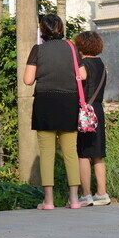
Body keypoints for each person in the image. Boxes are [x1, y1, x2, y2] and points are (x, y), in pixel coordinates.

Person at [23, 14, 87, 209]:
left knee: (47, 152)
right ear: (60, 28)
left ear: (42, 30)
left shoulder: (38, 50)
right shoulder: (72, 48)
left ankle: (48, 201)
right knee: (70, 152)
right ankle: (75, 200)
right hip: (68, 102)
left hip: (45, 103)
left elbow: (27, 80)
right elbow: (83, 74)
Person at [74, 31, 110, 206]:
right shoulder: (101, 64)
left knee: (83, 154)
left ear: (80, 46)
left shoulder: (83, 65)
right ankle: (102, 193)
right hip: (98, 108)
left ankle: (86, 194)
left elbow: (81, 82)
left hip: (85, 110)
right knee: (98, 154)